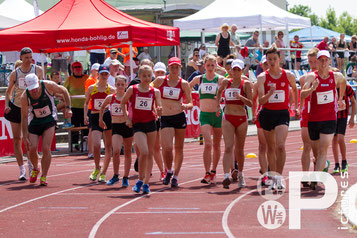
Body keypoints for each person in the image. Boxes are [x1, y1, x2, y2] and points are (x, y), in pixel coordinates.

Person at [300, 50, 347, 190]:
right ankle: (320, 168)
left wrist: (340, 99)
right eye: (321, 60)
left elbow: (344, 81)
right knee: (316, 152)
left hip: (329, 119)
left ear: (330, 61)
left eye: (326, 59)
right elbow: (302, 94)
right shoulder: (311, 77)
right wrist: (312, 89)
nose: (323, 62)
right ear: (318, 62)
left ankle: (315, 178)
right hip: (313, 120)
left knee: (323, 150)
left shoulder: (336, 76)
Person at [257, 46, 299, 190]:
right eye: (269, 59)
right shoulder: (262, 77)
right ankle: (273, 176)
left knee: (280, 146)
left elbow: (295, 88)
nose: (272, 62)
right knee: (271, 147)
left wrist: (295, 105)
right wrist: (270, 94)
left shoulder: (288, 75)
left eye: (275, 59)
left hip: (282, 113)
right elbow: (261, 101)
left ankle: (279, 178)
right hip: (268, 114)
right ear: (266, 61)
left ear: (279, 59)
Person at [21, 73, 72, 185]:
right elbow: (24, 117)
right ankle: (35, 168)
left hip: (49, 119)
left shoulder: (49, 85)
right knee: (32, 148)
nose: (33, 91)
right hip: (35, 121)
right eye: (31, 89)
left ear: (39, 82)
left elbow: (64, 90)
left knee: (46, 148)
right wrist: (24, 135)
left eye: (35, 88)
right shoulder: (24, 97)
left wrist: (68, 108)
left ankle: (44, 176)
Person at [121, 65, 162, 194]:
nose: (146, 78)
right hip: (137, 124)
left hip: (151, 124)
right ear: (139, 76)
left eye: (149, 76)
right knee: (143, 152)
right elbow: (123, 102)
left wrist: (160, 111)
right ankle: (140, 179)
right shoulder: (132, 89)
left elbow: (159, 107)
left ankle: (146, 183)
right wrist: (127, 117)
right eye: (144, 76)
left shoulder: (155, 91)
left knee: (150, 153)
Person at [152, 57, 193, 188]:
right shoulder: (160, 80)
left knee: (179, 148)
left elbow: (191, 103)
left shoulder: (184, 83)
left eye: (177, 67)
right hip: (166, 117)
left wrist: (186, 106)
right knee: (167, 148)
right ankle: (168, 170)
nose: (174, 70)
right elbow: (148, 91)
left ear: (180, 68)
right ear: (168, 68)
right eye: (172, 67)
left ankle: (175, 176)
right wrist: (155, 108)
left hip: (179, 117)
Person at [4, 47, 43, 180]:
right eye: (26, 57)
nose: (29, 59)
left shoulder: (37, 70)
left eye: (30, 57)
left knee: (29, 141)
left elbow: (41, 88)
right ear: (21, 58)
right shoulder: (15, 73)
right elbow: (8, 91)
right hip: (16, 106)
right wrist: (7, 105)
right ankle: (21, 170)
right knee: (17, 139)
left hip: (30, 108)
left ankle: (31, 164)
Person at [216, 59, 252, 189]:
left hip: (241, 119)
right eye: (233, 69)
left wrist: (241, 98)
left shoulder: (246, 84)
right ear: (230, 70)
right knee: (228, 147)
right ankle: (226, 176)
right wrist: (217, 107)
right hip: (228, 117)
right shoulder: (226, 82)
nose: (235, 72)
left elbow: (251, 103)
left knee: (239, 149)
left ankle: (241, 174)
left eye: (238, 70)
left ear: (242, 71)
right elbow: (219, 92)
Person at [189, 55, 224, 184]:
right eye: (207, 65)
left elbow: (228, 83)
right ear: (204, 65)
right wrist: (190, 98)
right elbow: (187, 86)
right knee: (207, 144)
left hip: (217, 115)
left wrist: (221, 101)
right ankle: (206, 172)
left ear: (215, 66)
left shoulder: (219, 79)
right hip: (204, 115)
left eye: (212, 65)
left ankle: (214, 171)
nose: (209, 68)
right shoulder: (199, 79)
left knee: (216, 145)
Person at [99, 75, 134, 187]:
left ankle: (125, 177)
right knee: (116, 151)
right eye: (118, 84)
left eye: (122, 84)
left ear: (126, 85)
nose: (120, 87)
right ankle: (115, 175)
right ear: (115, 85)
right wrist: (101, 120)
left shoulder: (129, 97)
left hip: (127, 126)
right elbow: (102, 107)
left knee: (128, 152)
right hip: (116, 126)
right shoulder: (111, 98)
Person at [84, 65, 115, 183]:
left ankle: (104, 173)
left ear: (108, 75)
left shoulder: (111, 90)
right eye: (101, 74)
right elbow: (86, 102)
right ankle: (97, 167)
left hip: (107, 117)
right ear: (98, 74)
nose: (103, 76)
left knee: (108, 147)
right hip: (95, 116)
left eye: (106, 74)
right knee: (96, 145)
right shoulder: (92, 88)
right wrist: (85, 115)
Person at [298, 48, 319, 187]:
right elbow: (303, 94)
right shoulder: (304, 78)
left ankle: (316, 174)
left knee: (317, 148)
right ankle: (305, 176)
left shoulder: (327, 75)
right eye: (310, 62)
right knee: (306, 146)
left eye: (315, 62)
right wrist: (301, 107)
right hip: (307, 113)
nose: (312, 65)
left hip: (321, 114)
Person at [252, 55, 270, 186]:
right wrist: (253, 114)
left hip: (276, 113)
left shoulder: (279, 77)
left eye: (268, 63)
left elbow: (290, 94)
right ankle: (265, 173)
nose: (267, 66)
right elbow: (254, 99)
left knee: (273, 146)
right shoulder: (258, 81)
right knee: (263, 145)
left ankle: (270, 168)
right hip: (262, 113)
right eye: (264, 64)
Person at [63, 61, 89, 150]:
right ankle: (74, 144)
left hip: (85, 107)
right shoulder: (69, 79)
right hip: (73, 107)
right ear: (72, 69)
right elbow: (64, 90)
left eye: (79, 68)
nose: (78, 70)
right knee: (75, 126)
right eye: (75, 68)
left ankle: (86, 142)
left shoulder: (87, 78)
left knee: (86, 125)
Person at [332, 81, 356, 173]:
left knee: (340, 139)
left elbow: (353, 102)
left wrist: (352, 117)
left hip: (342, 117)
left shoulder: (347, 87)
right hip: (332, 117)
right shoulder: (330, 87)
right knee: (334, 140)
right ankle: (336, 164)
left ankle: (344, 161)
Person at [84, 63, 100, 159]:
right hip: (91, 107)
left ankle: (94, 151)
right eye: (96, 70)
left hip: (96, 107)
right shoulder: (90, 80)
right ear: (92, 70)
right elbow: (89, 94)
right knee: (91, 130)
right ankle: (90, 151)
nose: (97, 72)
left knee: (95, 130)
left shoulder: (95, 80)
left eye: (98, 71)